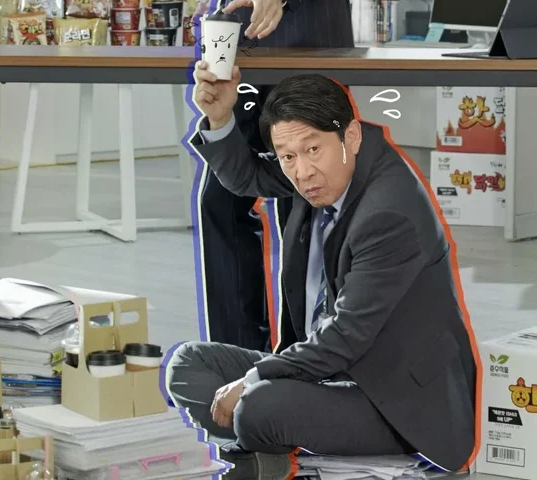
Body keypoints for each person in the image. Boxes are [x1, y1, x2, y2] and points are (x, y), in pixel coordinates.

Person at [168, 64, 478, 479]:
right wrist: (221, 118)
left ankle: (264, 443)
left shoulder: (389, 213)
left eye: (313, 150)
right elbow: (248, 176)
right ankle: (266, 449)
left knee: (259, 405)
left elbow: (346, 336)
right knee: (188, 365)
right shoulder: (325, 169)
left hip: (393, 400)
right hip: (325, 374)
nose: (301, 172)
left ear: (351, 136)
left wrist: (255, 378)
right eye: (288, 157)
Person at [197, 0, 354, 352]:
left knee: (302, 207)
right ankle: (237, 356)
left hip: (310, 42)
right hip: (239, 43)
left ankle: (301, 356)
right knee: (220, 200)